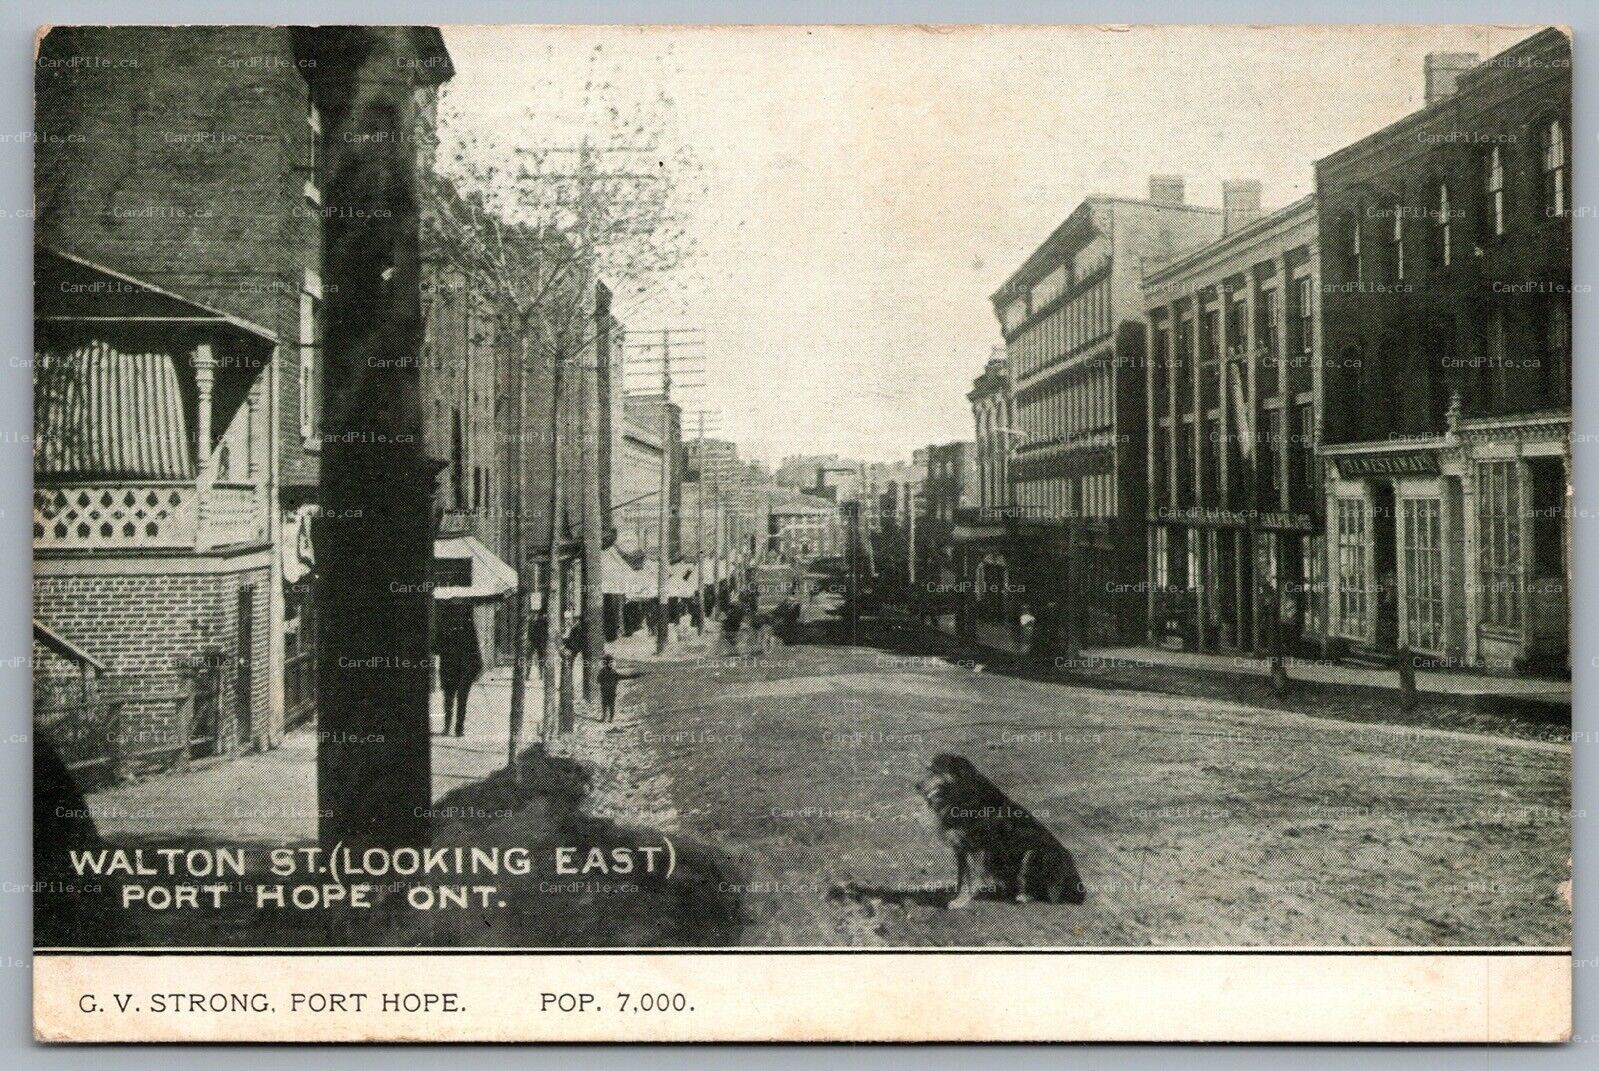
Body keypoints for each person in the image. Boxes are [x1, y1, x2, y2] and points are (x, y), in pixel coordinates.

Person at [436, 604, 482, 738]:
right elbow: (475, 648)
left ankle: (447, 727)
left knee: (449, 698)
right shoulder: (468, 625)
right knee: (461, 700)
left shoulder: (444, 625)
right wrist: (477, 666)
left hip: (450, 667)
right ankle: (458, 729)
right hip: (463, 668)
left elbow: (436, 647)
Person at [597, 655, 640, 722]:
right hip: (611, 691)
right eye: (609, 662)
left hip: (605, 691)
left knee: (605, 704)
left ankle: (604, 718)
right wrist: (636, 675)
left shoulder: (602, 672)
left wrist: (603, 682)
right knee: (611, 705)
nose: (609, 664)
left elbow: (598, 680)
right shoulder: (613, 672)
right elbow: (625, 676)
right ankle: (610, 718)